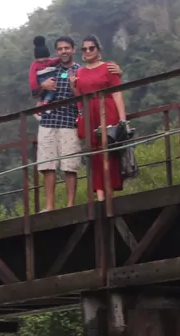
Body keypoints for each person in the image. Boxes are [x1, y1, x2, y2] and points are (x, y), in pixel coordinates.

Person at [36, 36, 122, 212]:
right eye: (60, 49)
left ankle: (70, 206)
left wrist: (119, 72)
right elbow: (33, 88)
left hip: (71, 121)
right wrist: (41, 86)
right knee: (47, 164)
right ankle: (50, 207)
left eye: (67, 48)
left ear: (73, 49)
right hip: (49, 120)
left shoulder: (79, 70)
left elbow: (85, 91)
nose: (64, 51)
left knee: (70, 165)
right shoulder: (49, 69)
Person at [71, 35, 127, 201]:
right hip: (89, 113)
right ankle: (100, 195)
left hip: (107, 110)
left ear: (98, 49)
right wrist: (73, 87)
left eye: (91, 48)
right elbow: (79, 97)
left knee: (109, 150)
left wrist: (123, 120)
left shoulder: (109, 68)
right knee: (94, 153)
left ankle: (109, 191)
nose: (87, 51)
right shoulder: (79, 72)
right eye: (84, 49)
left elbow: (117, 92)